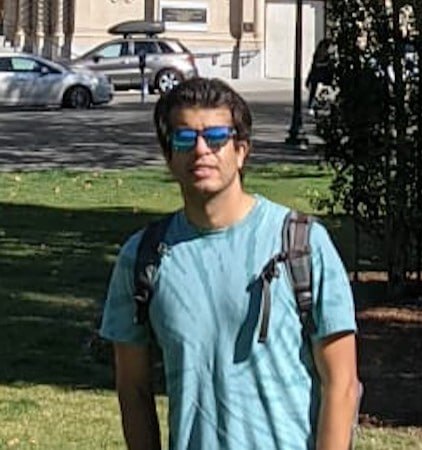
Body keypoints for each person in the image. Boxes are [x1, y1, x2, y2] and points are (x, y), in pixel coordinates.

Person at [100, 77, 360, 450]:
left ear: (241, 151)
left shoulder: (301, 245)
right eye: (185, 138)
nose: (201, 150)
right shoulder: (142, 257)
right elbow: (133, 388)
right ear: (169, 156)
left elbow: (342, 385)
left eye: (216, 137)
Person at [306, 38, 333, 114]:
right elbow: (314, 67)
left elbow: (313, 67)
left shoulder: (324, 57)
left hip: (320, 78)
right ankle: (313, 105)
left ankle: (313, 105)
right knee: (316, 91)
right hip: (320, 77)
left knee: (316, 91)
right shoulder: (326, 57)